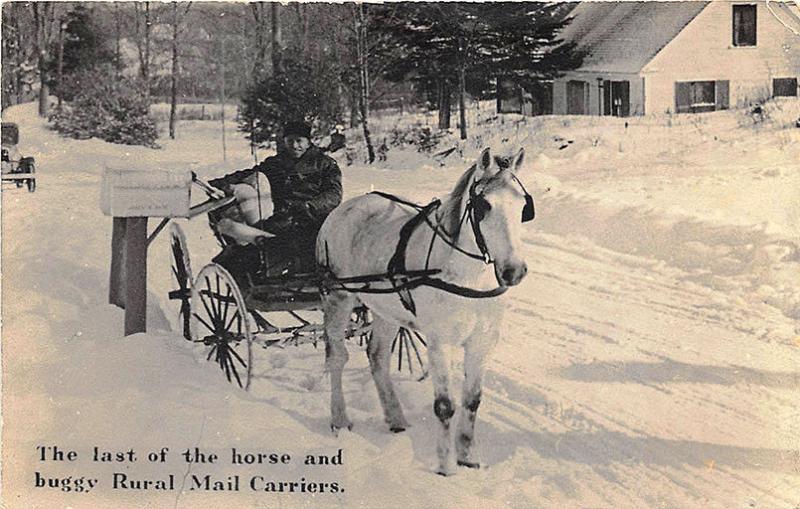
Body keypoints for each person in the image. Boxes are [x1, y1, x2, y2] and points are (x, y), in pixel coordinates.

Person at [209, 121, 343, 278]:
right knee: (256, 241)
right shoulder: (276, 163)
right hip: (284, 217)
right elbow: (249, 174)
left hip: (316, 218)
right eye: (290, 141)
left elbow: (334, 194)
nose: (294, 145)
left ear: (308, 142)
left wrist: (310, 206)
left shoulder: (325, 164)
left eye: (299, 140)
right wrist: (220, 183)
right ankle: (257, 279)